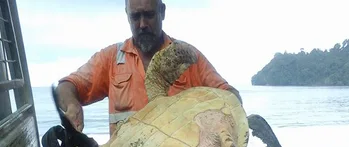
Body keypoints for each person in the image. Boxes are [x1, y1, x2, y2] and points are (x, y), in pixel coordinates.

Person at [57, 0, 242, 135]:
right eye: (135, 16)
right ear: (127, 15)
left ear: (162, 11)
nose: (143, 24)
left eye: (149, 15)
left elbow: (230, 95)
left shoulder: (187, 56)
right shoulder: (111, 58)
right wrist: (72, 104)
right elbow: (67, 86)